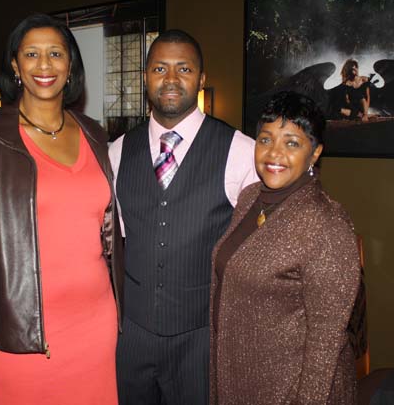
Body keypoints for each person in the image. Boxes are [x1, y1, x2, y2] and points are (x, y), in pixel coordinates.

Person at [0, 14, 123, 405]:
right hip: (21, 336)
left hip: (96, 327)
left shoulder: (95, 134)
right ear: (15, 65)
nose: (44, 65)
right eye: (31, 54)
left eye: (56, 54)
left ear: (70, 65)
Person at [108, 29, 258, 405]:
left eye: (184, 69)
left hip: (200, 340)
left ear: (201, 79)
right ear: (145, 77)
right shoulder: (116, 151)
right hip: (131, 338)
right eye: (160, 68)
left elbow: (259, 255)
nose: (171, 78)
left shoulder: (242, 151)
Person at [210, 91, 360, 404]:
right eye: (265, 140)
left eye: (292, 143)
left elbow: (326, 341)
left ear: (315, 153)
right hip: (240, 378)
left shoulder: (327, 224)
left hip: (289, 390)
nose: (274, 153)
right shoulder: (250, 198)